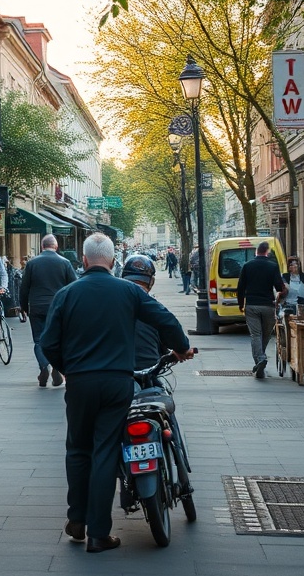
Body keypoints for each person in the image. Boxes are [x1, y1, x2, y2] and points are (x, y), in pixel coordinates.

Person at [40, 233, 192, 553]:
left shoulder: (67, 294)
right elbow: (165, 320)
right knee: (105, 451)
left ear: (83, 260)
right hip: (117, 383)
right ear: (112, 261)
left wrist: (67, 367)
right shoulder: (127, 292)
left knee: (78, 450)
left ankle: (76, 519)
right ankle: (98, 533)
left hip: (80, 383)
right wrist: (180, 348)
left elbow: (48, 343)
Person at [120, 254, 195, 508]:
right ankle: (182, 472)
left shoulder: (113, 305)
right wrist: (181, 351)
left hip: (117, 378)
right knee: (167, 416)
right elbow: (169, 329)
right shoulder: (151, 304)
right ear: (150, 282)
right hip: (149, 376)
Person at [19, 234, 77, 387]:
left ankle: (44, 366)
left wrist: (24, 307)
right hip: (58, 307)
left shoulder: (32, 264)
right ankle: (56, 367)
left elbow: (24, 288)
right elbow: (74, 286)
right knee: (58, 339)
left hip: (36, 307)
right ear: (56, 246)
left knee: (38, 340)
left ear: (42, 246)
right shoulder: (64, 263)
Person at [236, 241, 287, 379]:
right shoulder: (273, 266)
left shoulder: (247, 266)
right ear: (267, 252)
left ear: (256, 252)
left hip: (252, 305)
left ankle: (260, 359)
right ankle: (260, 359)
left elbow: (240, 287)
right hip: (268, 305)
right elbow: (279, 287)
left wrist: (241, 304)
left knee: (255, 335)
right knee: (265, 335)